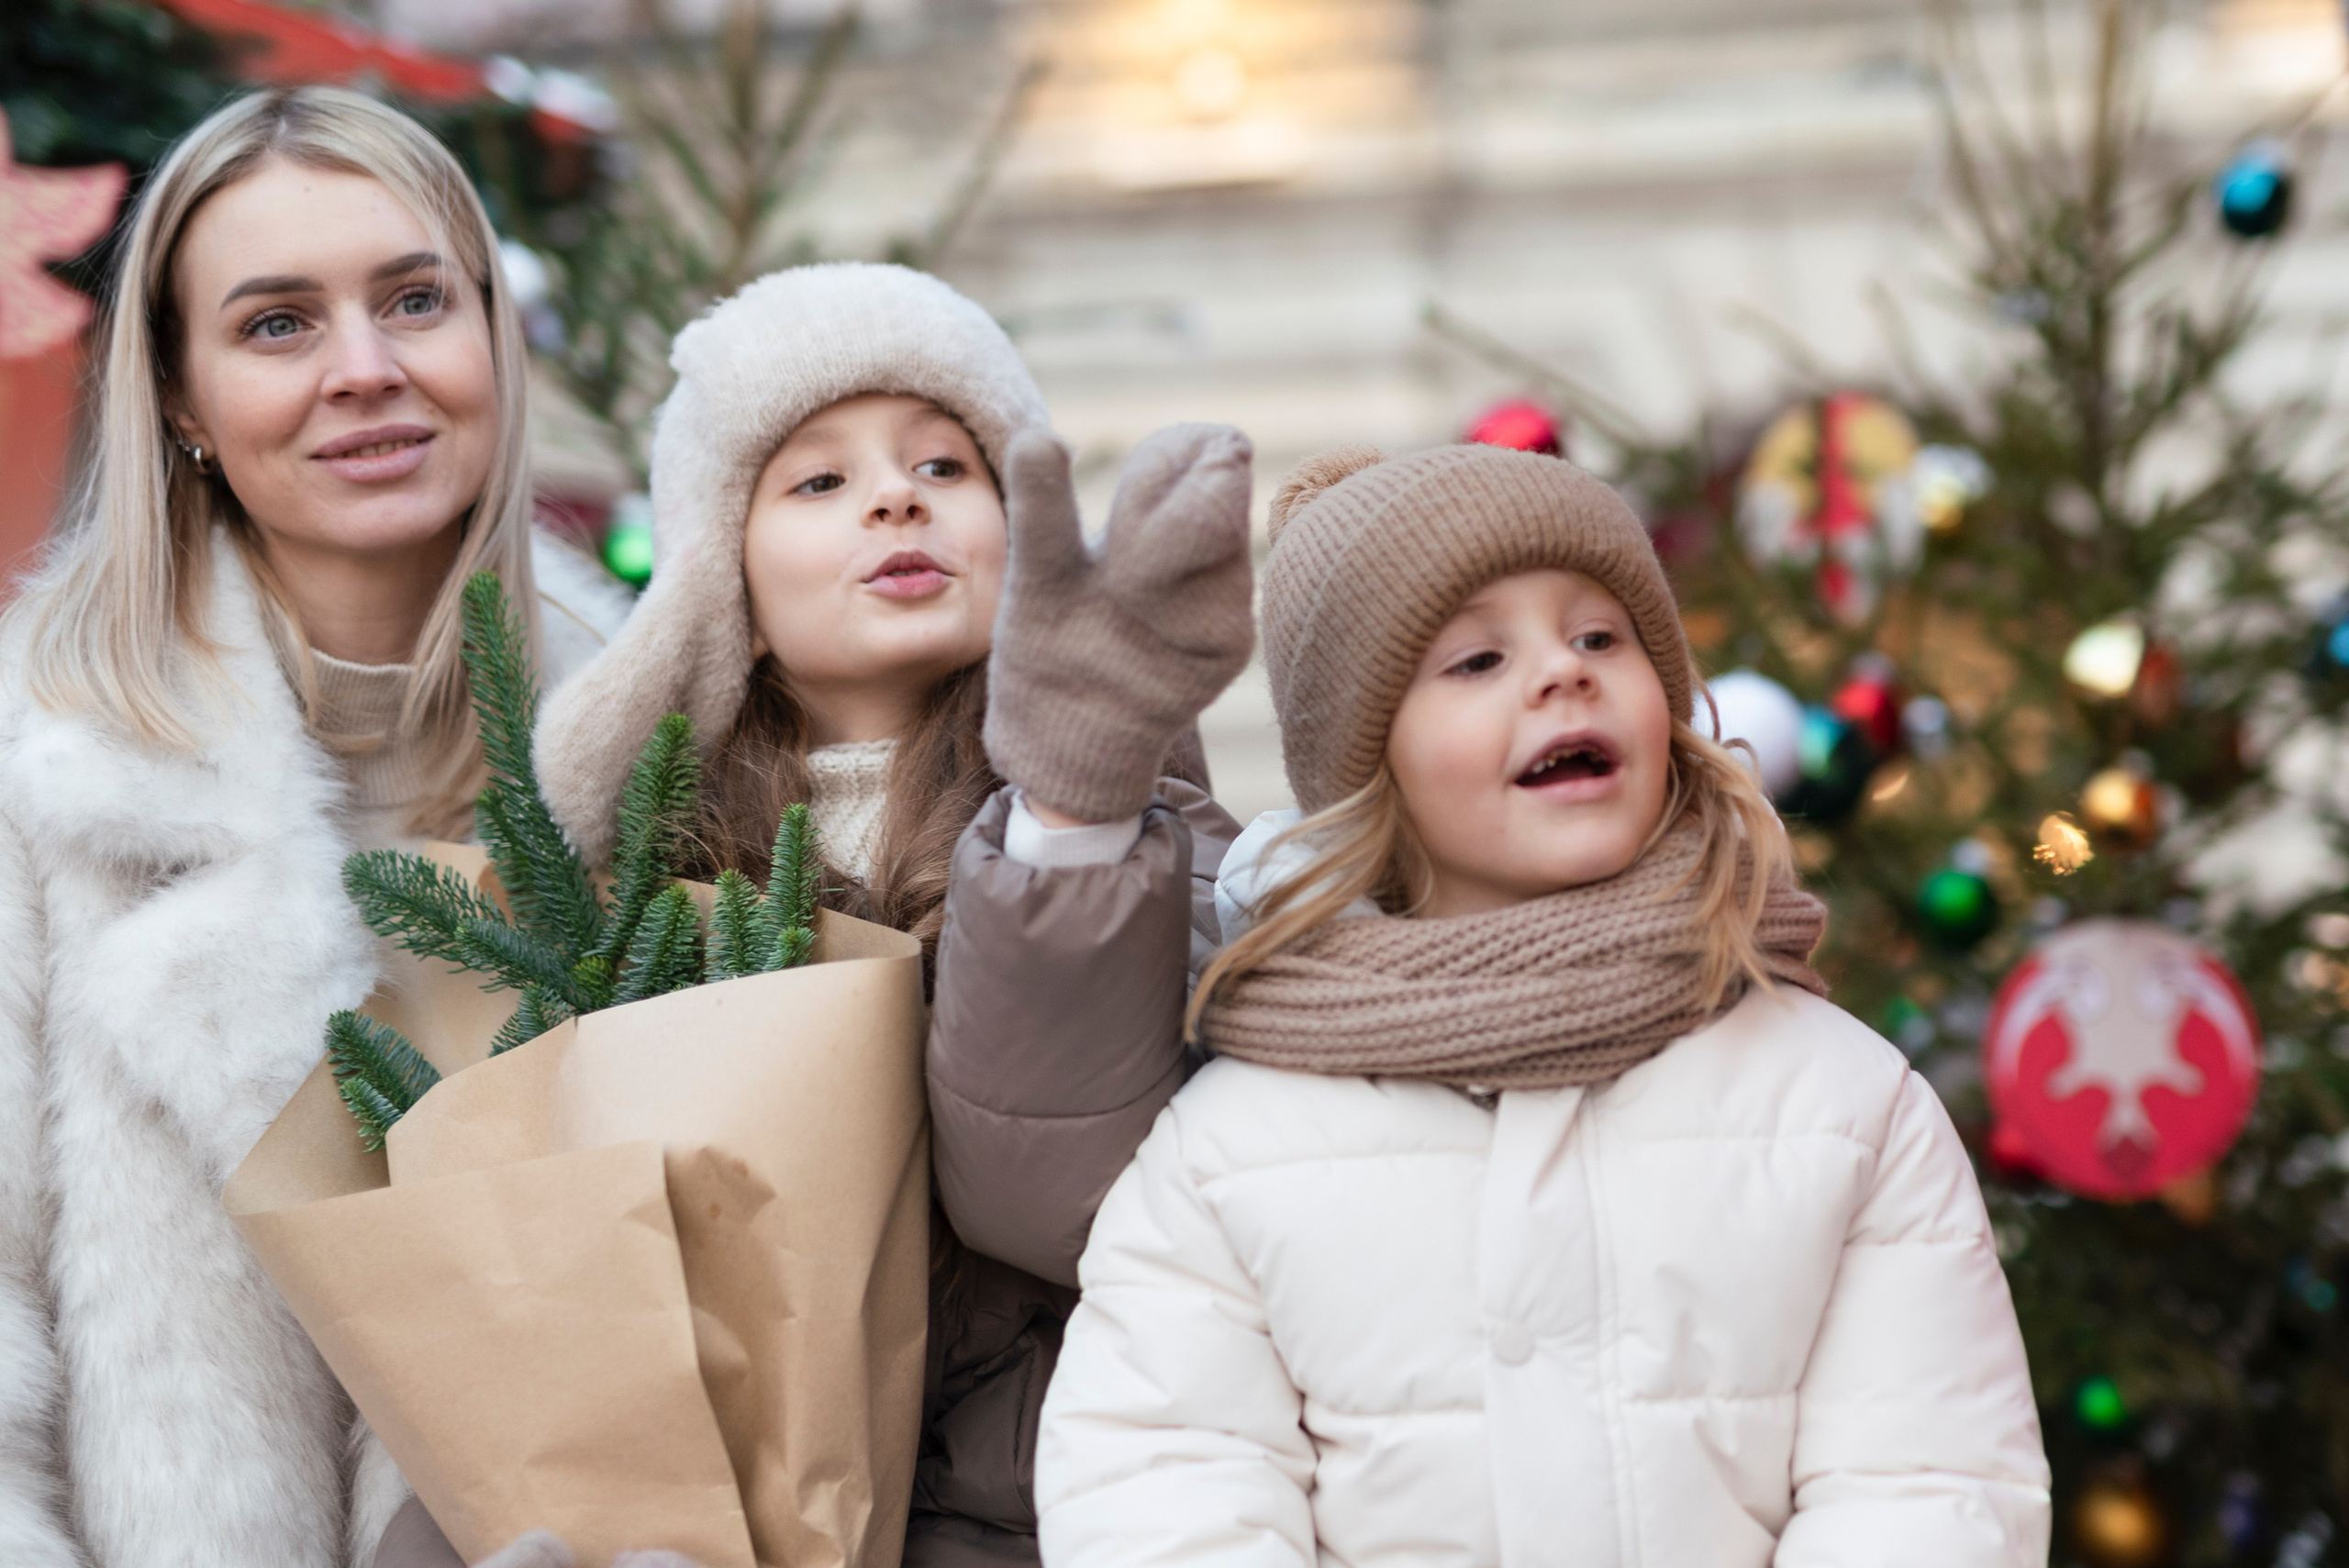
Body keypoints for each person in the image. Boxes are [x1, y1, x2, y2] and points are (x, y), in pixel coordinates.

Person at [1033, 444, 2054, 1567]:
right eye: (1476, 658)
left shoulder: (1841, 1102)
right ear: (1369, 761)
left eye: (1601, 637)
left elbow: (1926, 1479)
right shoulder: (1235, 1145)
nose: (1563, 671)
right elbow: (1160, 1485)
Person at [512, 261, 1255, 1568]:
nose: (896, 498)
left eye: (943, 465)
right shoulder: (649, 886)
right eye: (819, 482)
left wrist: (1073, 813)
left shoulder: (1149, 836)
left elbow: (1085, 1190)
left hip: (1047, 1501)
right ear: (724, 584)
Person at [0, 86, 629, 1568]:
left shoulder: (637, 742)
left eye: (414, 300)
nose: (365, 370)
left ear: (492, 337)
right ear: (177, 395)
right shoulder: (38, 766)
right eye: (278, 323)